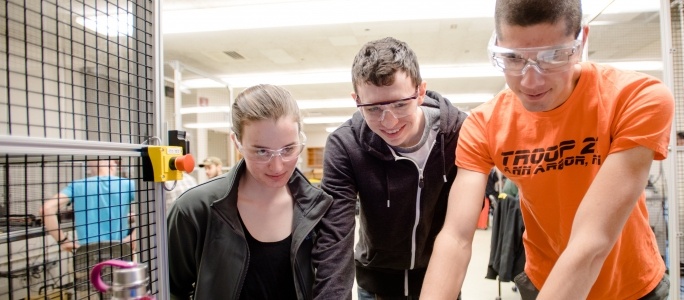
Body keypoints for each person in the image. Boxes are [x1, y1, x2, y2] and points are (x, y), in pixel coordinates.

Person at [421, 0, 674, 299]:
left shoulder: (636, 99)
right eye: (512, 58)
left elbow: (591, 242)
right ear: (496, 43)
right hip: (545, 279)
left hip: (631, 286)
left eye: (553, 57)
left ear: (581, 42)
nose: (530, 80)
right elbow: (455, 238)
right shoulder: (484, 123)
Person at [167, 84, 354, 299]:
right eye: (261, 151)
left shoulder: (317, 208)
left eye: (288, 149)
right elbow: (171, 288)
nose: (277, 166)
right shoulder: (194, 210)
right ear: (236, 142)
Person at [322, 37, 467, 299]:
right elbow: (335, 237)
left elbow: (460, 232)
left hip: (439, 277)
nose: (389, 121)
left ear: (421, 91)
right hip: (376, 284)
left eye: (400, 104)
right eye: (373, 108)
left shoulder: (459, 134)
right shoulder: (345, 144)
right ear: (356, 100)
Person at [41, 159, 136, 294]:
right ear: (112, 165)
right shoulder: (127, 184)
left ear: (91, 166)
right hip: (120, 252)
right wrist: (134, 237)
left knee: (93, 292)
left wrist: (63, 241)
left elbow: (46, 209)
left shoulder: (78, 186)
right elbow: (153, 208)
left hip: (87, 256)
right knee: (122, 293)